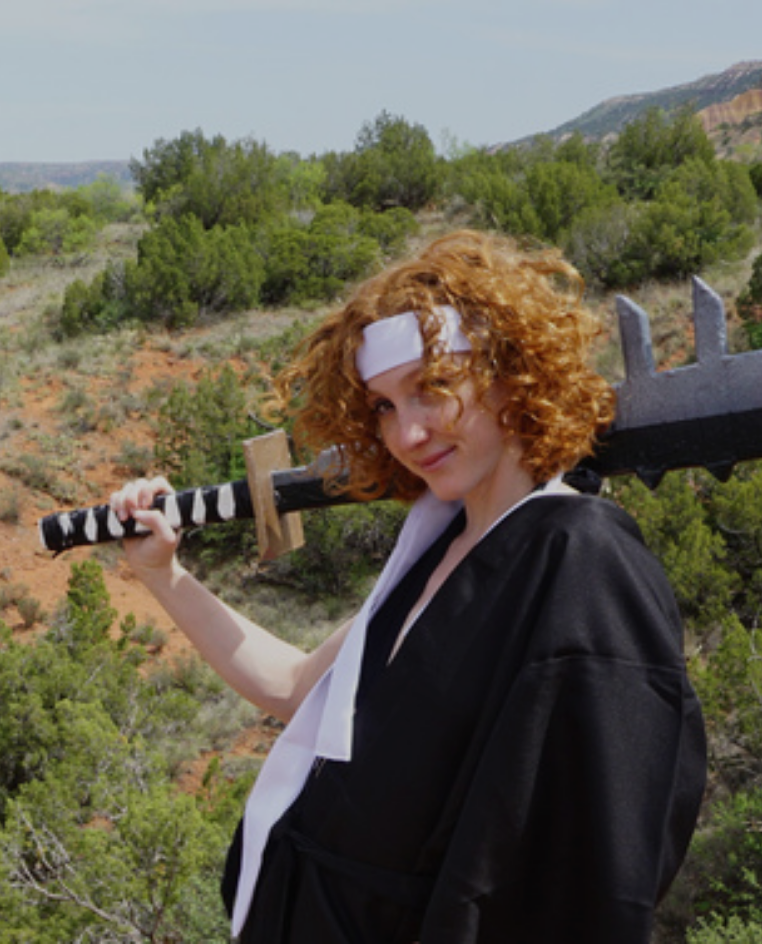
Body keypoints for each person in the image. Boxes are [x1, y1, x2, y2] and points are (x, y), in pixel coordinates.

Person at [109, 230, 706, 941]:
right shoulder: (440, 549)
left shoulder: (581, 559)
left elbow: (595, 864)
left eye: (432, 388)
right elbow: (295, 687)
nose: (408, 434)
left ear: (511, 373)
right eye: (385, 406)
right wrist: (163, 573)